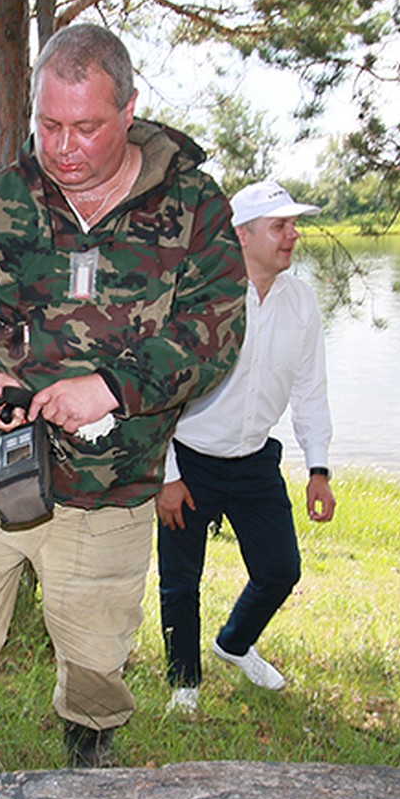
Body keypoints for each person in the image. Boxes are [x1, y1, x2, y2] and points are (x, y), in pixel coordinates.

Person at [0, 23, 247, 799]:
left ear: (131, 110)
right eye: (49, 126)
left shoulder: (192, 207)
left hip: (112, 484)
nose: (65, 147)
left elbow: (215, 336)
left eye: (86, 128)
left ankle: (88, 766)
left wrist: (112, 386)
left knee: (95, 652)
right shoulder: (0, 201)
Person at [156, 179, 336, 716]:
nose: (292, 235)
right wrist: (165, 476)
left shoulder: (300, 301)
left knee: (281, 570)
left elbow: (310, 389)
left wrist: (319, 467)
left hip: (256, 459)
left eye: (293, 225)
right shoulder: (198, 299)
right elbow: (159, 391)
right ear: (242, 235)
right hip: (189, 460)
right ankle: (183, 685)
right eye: (280, 226)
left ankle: (233, 642)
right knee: (181, 581)